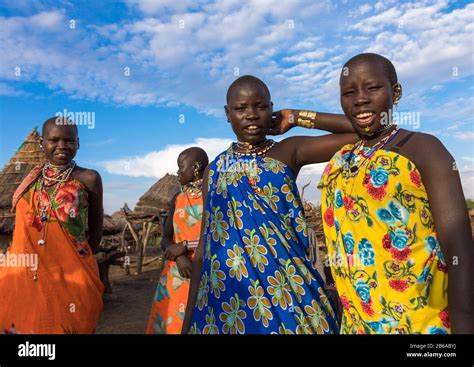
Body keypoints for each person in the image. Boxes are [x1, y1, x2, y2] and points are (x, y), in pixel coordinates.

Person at [182, 75, 358, 334]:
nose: (251, 115)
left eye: (261, 107)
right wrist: (189, 319)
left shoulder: (289, 151)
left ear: (273, 109)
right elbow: (206, 244)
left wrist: (296, 117)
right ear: (227, 113)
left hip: (291, 291)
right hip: (228, 298)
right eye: (241, 108)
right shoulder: (214, 170)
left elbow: (360, 131)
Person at [317, 53, 473, 334]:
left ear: (396, 91)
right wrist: (296, 117)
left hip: (420, 323)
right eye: (348, 93)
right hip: (357, 324)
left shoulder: (423, 149)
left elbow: (460, 252)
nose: (360, 99)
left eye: (373, 88)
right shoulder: (342, 158)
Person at [0, 117, 104, 334]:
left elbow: (96, 227)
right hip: (25, 272)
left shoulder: (89, 178)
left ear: (78, 143)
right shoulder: (30, 180)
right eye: (54, 140)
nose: (62, 146)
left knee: (72, 323)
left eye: (69, 140)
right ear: (42, 143)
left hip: (74, 272)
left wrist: (78, 257)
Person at [146, 147, 208, 334]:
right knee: (169, 322)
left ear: (196, 167)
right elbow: (165, 238)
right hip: (175, 273)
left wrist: (186, 246)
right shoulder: (177, 198)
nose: (178, 172)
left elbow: (220, 235)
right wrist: (179, 257)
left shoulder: (212, 196)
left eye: (181, 167)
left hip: (204, 269)